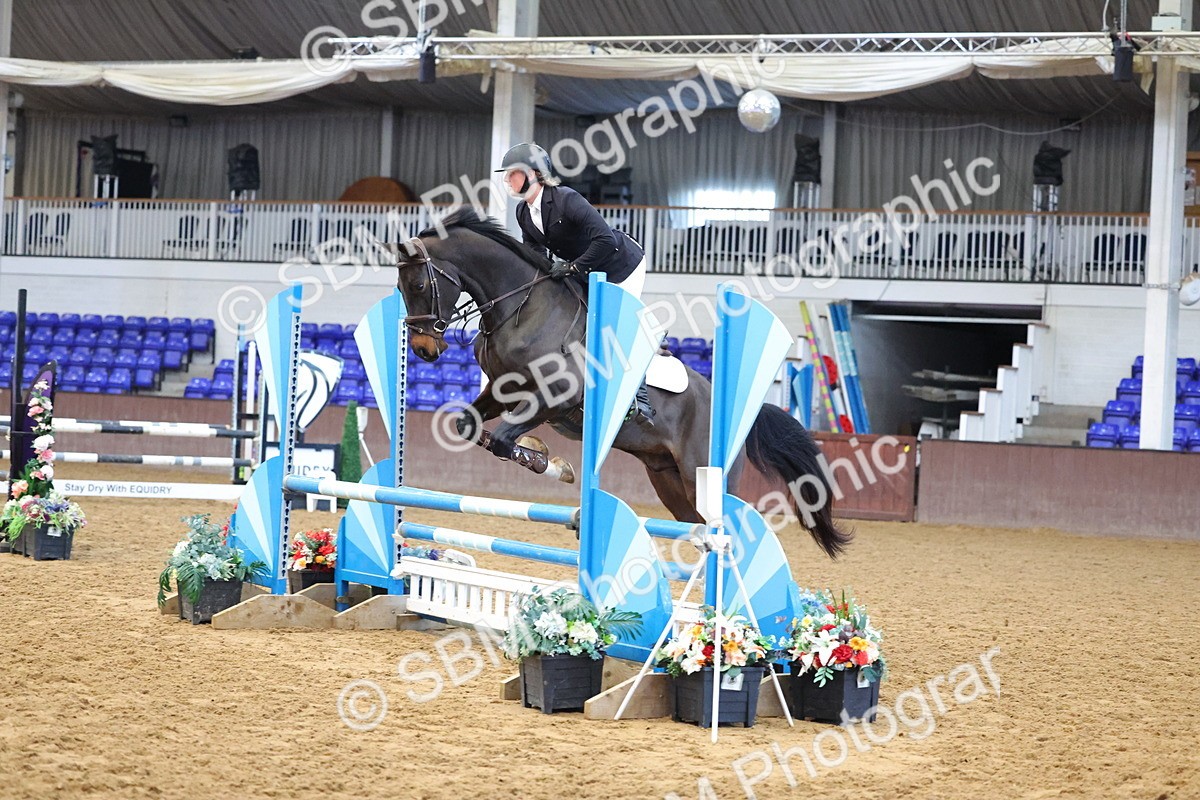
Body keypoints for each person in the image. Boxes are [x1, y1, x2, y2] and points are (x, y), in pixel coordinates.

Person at [496, 141, 654, 425]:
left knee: (614, 325)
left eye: (512, 173)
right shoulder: (523, 213)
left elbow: (604, 239)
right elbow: (536, 258)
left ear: (533, 174)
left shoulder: (566, 199)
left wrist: (571, 266)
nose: (508, 179)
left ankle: (638, 398)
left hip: (621, 264)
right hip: (585, 270)